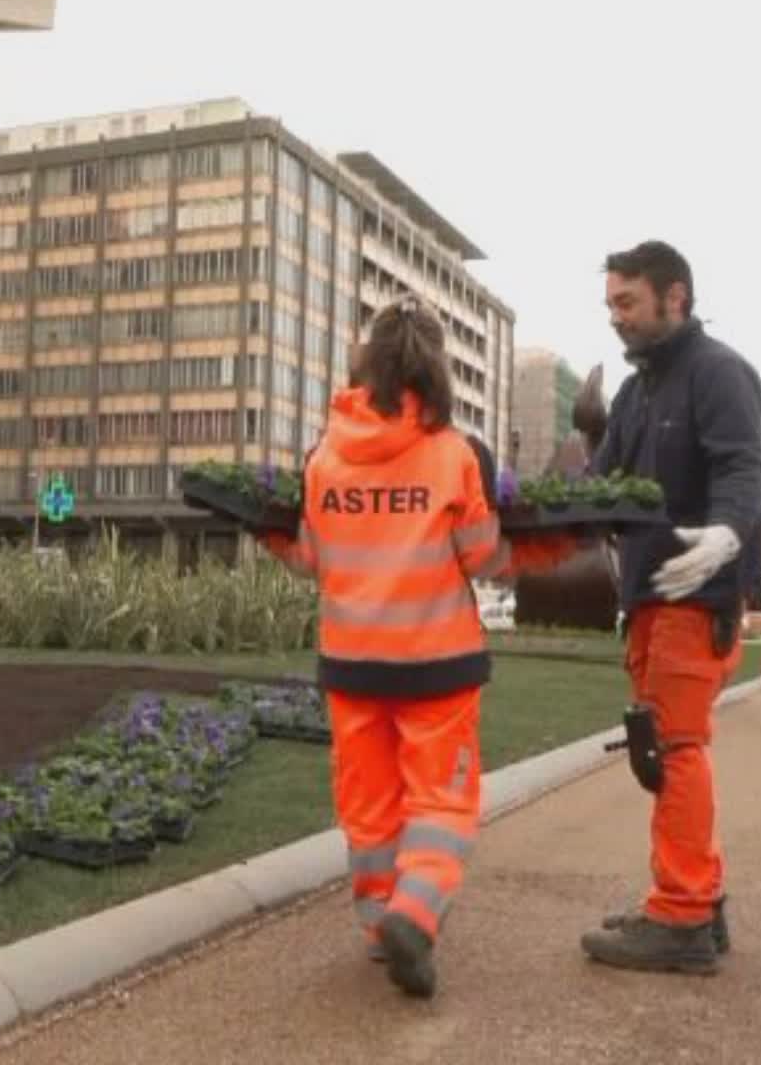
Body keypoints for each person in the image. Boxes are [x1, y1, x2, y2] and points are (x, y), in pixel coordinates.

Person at [255, 295, 583, 999]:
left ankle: (381, 930)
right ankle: (415, 910)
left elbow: (311, 556)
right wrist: (552, 545)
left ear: (367, 362)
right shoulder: (453, 455)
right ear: (438, 368)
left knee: (370, 810)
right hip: (436, 666)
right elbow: (483, 559)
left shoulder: (325, 456)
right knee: (441, 803)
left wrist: (274, 533)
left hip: (351, 664)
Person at [579, 240, 761, 975]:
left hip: (697, 594)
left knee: (675, 749)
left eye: (627, 303)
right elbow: (599, 485)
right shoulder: (638, 392)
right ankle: (698, 899)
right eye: (610, 306)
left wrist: (729, 532)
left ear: (675, 297)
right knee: (665, 747)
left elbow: (740, 463)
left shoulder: (719, 373)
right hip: (651, 599)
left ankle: (682, 915)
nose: (616, 319)